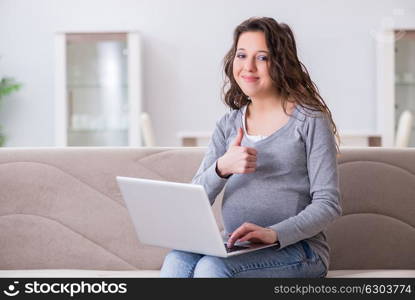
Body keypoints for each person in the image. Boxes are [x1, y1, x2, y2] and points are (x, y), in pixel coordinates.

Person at [160, 17, 342, 278]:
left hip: (298, 249)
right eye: (241, 55)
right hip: (238, 246)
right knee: (177, 260)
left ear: (281, 63)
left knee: (212, 269)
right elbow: (195, 198)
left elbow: (328, 204)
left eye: (262, 58)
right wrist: (222, 167)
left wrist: (274, 234)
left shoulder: (310, 119)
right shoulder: (228, 124)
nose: (248, 67)